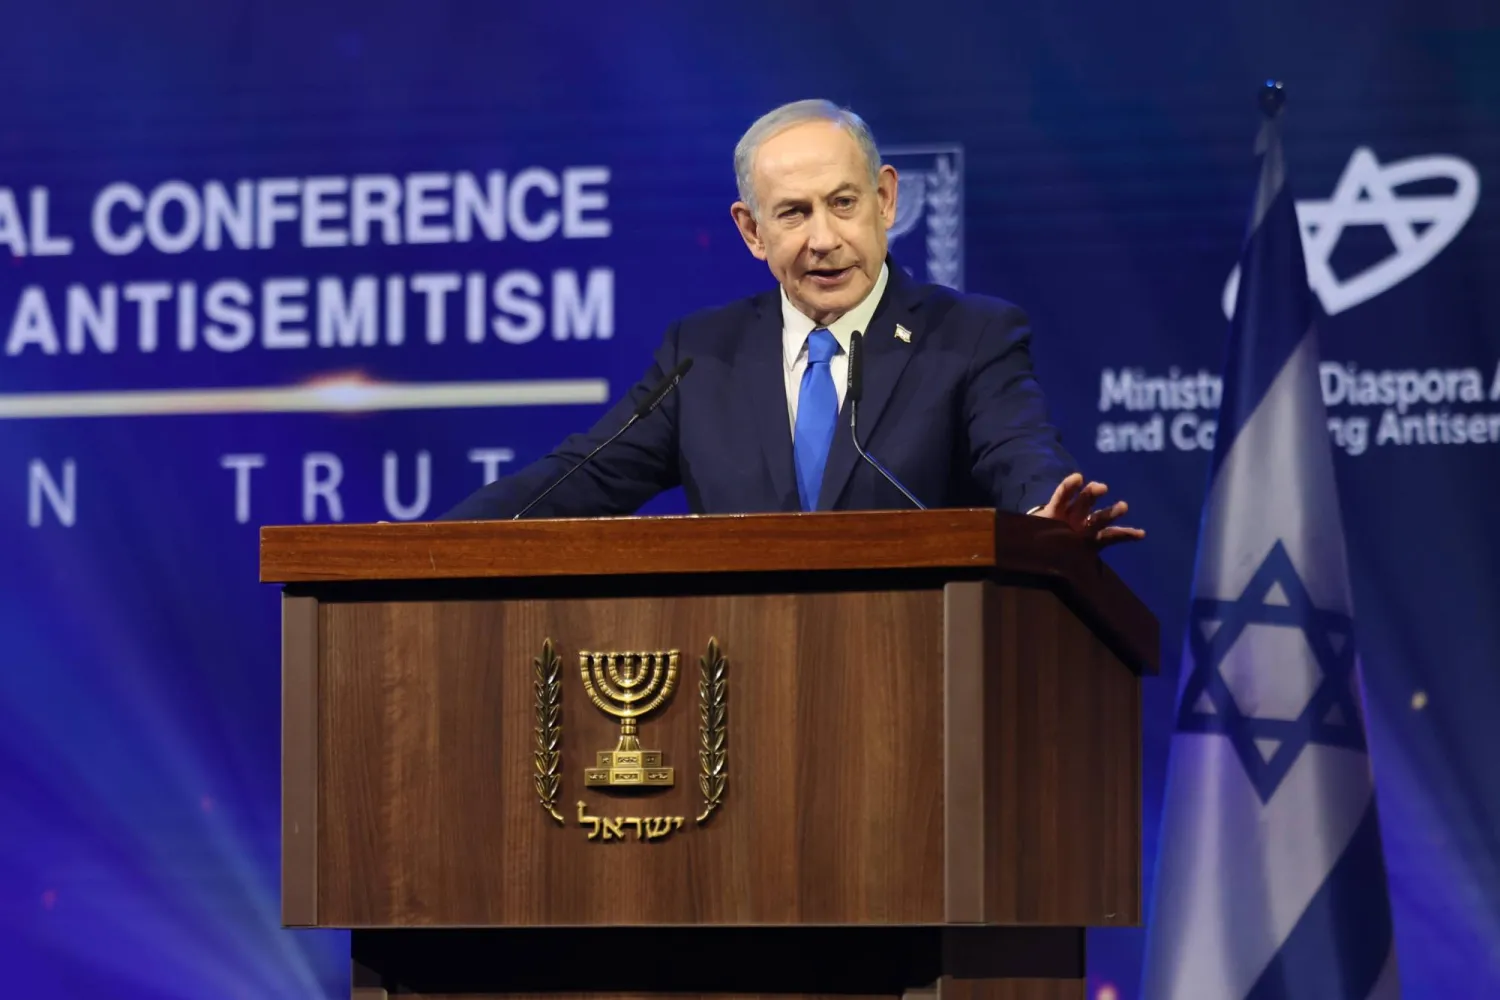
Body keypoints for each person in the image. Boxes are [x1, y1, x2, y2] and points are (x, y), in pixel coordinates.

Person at [443, 99, 1142, 546]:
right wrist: (435, 541)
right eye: (793, 213)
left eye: (843, 204)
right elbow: (579, 478)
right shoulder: (702, 356)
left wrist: (1045, 519)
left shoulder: (970, 338)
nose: (824, 238)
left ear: (886, 200)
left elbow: (1017, 453)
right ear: (751, 232)